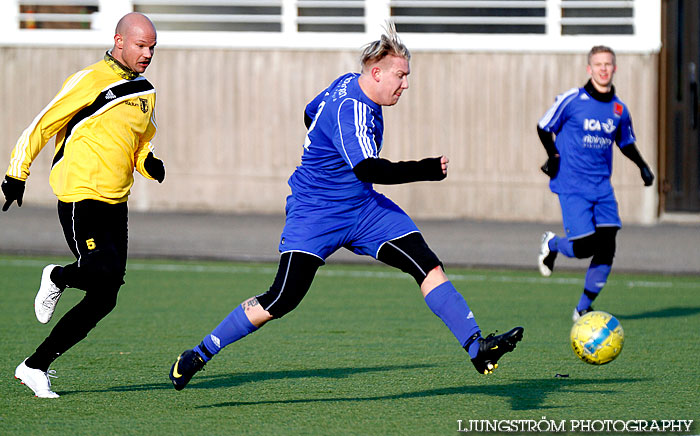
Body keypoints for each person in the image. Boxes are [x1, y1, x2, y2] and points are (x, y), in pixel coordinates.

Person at [168, 23, 523, 391]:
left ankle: (477, 346)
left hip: (362, 208)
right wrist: (427, 169)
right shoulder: (351, 109)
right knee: (282, 298)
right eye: (400, 76)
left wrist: (322, 144)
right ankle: (200, 353)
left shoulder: (346, 83)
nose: (405, 85)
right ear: (376, 72)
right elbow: (369, 167)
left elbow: (310, 113)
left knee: (426, 264)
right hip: (316, 211)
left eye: (407, 76)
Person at [3, 12, 164, 398]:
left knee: (105, 296)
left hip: (116, 203)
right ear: (119, 40)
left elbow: (140, 142)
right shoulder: (89, 80)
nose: (147, 54)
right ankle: (58, 277)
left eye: (153, 48)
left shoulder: (145, 91)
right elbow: (42, 124)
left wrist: (148, 163)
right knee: (99, 271)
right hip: (81, 197)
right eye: (141, 46)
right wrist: (16, 173)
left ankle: (34, 366)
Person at [536, 45, 654, 321]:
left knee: (608, 244)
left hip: (602, 187)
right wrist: (553, 154)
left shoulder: (619, 110)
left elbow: (625, 142)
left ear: (615, 69)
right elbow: (543, 126)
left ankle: (582, 309)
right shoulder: (572, 100)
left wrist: (643, 166)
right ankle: (552, 244)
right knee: (585, 246)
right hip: (572, 184)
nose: (603, 69)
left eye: (608, 64)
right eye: (598, 64)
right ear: (589, 69)